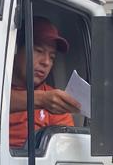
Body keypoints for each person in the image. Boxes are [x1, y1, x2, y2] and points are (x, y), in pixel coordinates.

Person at [9, 16, 80, 149]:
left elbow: (64, 150)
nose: (46, 62)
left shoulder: (55, 102)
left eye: (52, 57)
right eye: (39, 51)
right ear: (15, 49)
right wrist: (40, 100)